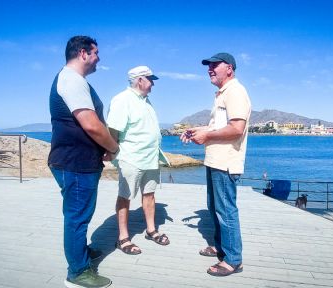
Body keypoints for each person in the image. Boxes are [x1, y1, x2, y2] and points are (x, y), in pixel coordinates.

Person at [48, 35, 117, 288]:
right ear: (83, 53)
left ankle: (81, 254)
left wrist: (104, 147)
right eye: (96, 52)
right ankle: (77, 273)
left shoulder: (76, 81)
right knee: (77, 217)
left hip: (79, 162)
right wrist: (114, 147)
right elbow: (91, 124)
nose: (99, 57)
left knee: (80, 215)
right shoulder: (71, 80)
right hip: (74, 163)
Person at [180, 52, 251, 277]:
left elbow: (236, 129)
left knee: (226, 211)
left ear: (229, 68)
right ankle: (222, 248)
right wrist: (198, 131)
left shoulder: (236, 92)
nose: (209, 69)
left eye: (214, 65)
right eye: (208, 66)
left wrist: (207, 137)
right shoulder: (221, 94)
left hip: (226, 162)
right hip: (215, 160)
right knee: (215, 208)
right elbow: (218, 126)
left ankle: (233, 260)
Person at [106, 66, 170, 255]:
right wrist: (112, 152)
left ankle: (151, 230)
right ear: (140, 80)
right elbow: (113, 130)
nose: (153, 84)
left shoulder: (146, 101)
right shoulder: (121, 100)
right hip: (131, 158)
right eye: (151, 79)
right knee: (125, 197)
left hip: (150, 157)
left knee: (149, 194)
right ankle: (123, 238)